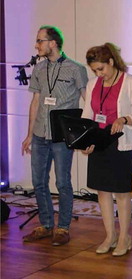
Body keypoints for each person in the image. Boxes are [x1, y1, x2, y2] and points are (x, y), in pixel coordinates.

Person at [21, 25, 88, 246]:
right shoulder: (39, 69)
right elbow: (36, 102)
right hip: (40, 134)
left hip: (61, 136)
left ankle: (63, 228)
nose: (36, 45)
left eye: (40, 40)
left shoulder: (76, 69)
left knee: (63, 182)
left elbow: (86, 101)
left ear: (53, 43)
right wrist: (29, 133)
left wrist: (87, 136)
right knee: (39, 182)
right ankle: (46, 224)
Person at [81, 43, 132, 256]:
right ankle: (110, 235)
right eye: (95, 71)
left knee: (122, 192)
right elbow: (87, 115)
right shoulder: (93, 84)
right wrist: (85, 140)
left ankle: (125, 237)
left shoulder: (130, 82)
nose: (99, 74)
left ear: (111, 62)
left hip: (120, 143)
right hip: (99, 141)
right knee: (102, 191)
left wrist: (124, 118)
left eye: (101, 69)